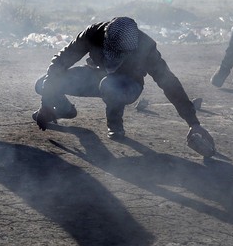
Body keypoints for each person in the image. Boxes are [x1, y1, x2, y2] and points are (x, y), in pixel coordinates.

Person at [32, 16, 215, 153]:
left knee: (110, 85)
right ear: (106, 39)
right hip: (95, 77)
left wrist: (193, 123)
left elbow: (169, 82)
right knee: (43, 84)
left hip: (128, 85)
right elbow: (60, 62)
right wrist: (45, 104)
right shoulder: (93, 33)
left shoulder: (146, 47)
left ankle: (115, 125)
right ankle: (64, 110)